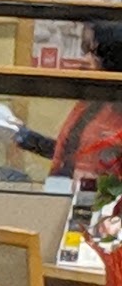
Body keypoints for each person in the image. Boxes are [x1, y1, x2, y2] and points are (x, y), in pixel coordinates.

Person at [14, 23, 122, 183]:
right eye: (84, 51)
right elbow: (72, 152)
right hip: (63, 190)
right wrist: (23, 137)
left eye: (95, 54)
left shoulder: (116, 110)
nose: (84, 60)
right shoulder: (90, 103)